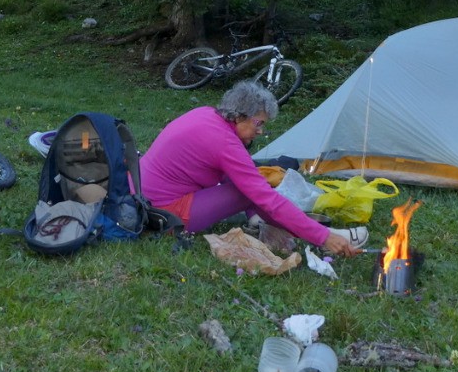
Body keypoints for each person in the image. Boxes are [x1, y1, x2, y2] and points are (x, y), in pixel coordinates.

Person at [140, 80, 367, 257]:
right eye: (258, 123)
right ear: (239, 116)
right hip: (164, 215)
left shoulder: (206, 114)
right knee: (251, 192)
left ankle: (261, 222)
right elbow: (265, 197)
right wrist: (323, 236)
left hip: (140, 198)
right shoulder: (225, 143)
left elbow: (237, 177)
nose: (260, 131)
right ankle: (326, 235)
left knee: (249, 186)